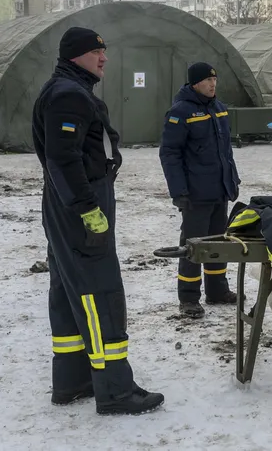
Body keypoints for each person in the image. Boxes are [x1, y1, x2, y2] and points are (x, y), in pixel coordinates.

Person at [32, 26, 163, 415]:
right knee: (99, 291)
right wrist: (87, 208)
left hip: (68, 202)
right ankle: (116, 389)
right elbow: (62, 158)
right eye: (95, 52)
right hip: (80, 204)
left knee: (68, 288)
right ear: (76, 56)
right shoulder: (68, 95)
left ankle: (73, 379)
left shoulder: (68, 90)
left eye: (104, 51)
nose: (104, 58)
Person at [158, 62, 242, 319]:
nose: (213, 84)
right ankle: (188, 297)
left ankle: (217, 290)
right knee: (193, 246)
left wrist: (232, 180)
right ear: (195, 83)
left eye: (214, 80)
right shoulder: (180, 112)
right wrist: (179, 191)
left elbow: (225, 152)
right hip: (195, 193)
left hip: (219, 190)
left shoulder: (219, 109)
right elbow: (169, 153)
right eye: (207, 80)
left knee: (218, 242)